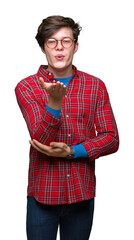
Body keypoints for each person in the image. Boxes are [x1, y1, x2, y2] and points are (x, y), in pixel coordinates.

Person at [15, 15, 119, 240]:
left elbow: (111, 138)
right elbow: (40, 138)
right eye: (52, 41)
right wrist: (54, 101)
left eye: (66, 41)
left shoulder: (95, 86)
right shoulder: (26, 86)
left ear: (76, 46)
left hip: (82, 193)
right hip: (43, 195)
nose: (59, 47)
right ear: (43, 48)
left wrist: (74, 151)